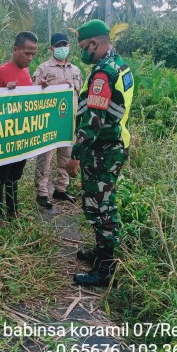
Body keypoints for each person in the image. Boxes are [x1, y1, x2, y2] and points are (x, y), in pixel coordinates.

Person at [66, 19, 134, 287]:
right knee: (100, 202)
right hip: (116, 143)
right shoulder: (120, 65)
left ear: (94, 43)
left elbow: (94, 120)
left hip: (102, 150)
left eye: (84, 46)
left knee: (101, 207)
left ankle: (105, 269)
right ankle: (100, 252)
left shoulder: (103, 74)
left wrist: (75, 154)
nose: (83, 52)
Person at [0, 31, 38, 226]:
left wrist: (40, 88)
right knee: (1, 174)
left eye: (33, 54)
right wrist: (4, 92)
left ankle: (13, 209)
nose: (30, 58)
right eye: (27, 53)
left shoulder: (26, 72)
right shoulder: (0, 72)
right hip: (5, 134)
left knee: (15, 174)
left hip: (22, 133)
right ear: (15, 49)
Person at [33, 32, 83, 209]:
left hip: (68, 122)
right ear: (51, 48)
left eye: (65, 45)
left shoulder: (75, 70)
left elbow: (80, 93)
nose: (63, 48)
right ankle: (42, 192)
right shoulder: (43, 69)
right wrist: (42, 86)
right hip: (49, 122)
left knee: (66, 156)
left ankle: (61, 189)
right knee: (45, 158)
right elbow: (31, 92)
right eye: (59, 45)